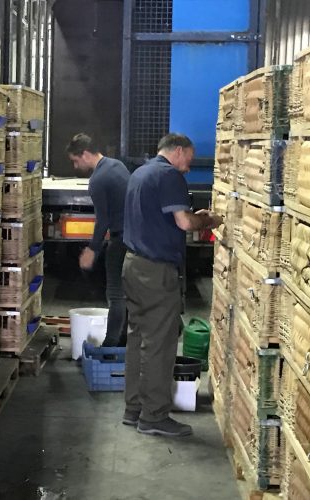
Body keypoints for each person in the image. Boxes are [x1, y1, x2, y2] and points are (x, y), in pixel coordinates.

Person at [122, 133, 223, 437]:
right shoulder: (169, 176)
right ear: (178, 151)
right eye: (188, 160)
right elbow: (185, 223)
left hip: (133, 264)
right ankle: (154, 416)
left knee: (138, 338)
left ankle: (134, 408)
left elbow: (161, 217)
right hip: (156, 272)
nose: (188, 167)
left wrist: (193, 217)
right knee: (160, 344)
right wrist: (209, 220)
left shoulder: (140, 173)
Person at [66, 133, 130, 347]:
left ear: (85, 154)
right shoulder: (117, 165)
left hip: (121, 240)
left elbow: (103, 220)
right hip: (135, 238)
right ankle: (123, 341)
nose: (76, 166)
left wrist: (92, 250)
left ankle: (110, 346)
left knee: (115, 294)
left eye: (76, 161)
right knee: (129, 293)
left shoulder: (97, 179)